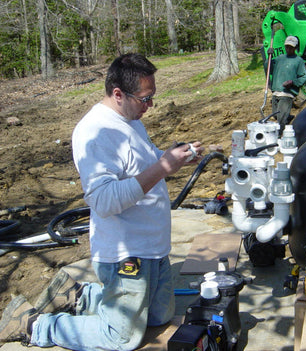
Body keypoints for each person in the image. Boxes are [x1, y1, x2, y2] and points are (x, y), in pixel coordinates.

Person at [0, 53, 204, 350]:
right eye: (145, 99)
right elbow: (104, 201)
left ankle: (78, 295)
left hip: (152, 246)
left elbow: (141, 162)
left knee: (160, 317)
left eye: (152, 98)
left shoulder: (130, 118)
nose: (149, 107)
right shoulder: (95, 132)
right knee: (122, 337)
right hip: (125, 253)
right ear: (118, 94)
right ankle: (33, 324)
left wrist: (172, 158)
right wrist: (164, 168)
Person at [269, 35, 306, 135]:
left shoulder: (298, 61)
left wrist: (292, 82)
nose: (288, 49)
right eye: (287, 47)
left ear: (295, 47)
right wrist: (268, 58)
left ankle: (279, 137)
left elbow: (303, 77)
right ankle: (288, 117)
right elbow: (269, 69)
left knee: (281, 119)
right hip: (276, 90)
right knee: (276, 115)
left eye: (291, 47)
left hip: (287, 94)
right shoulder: (279, 58)